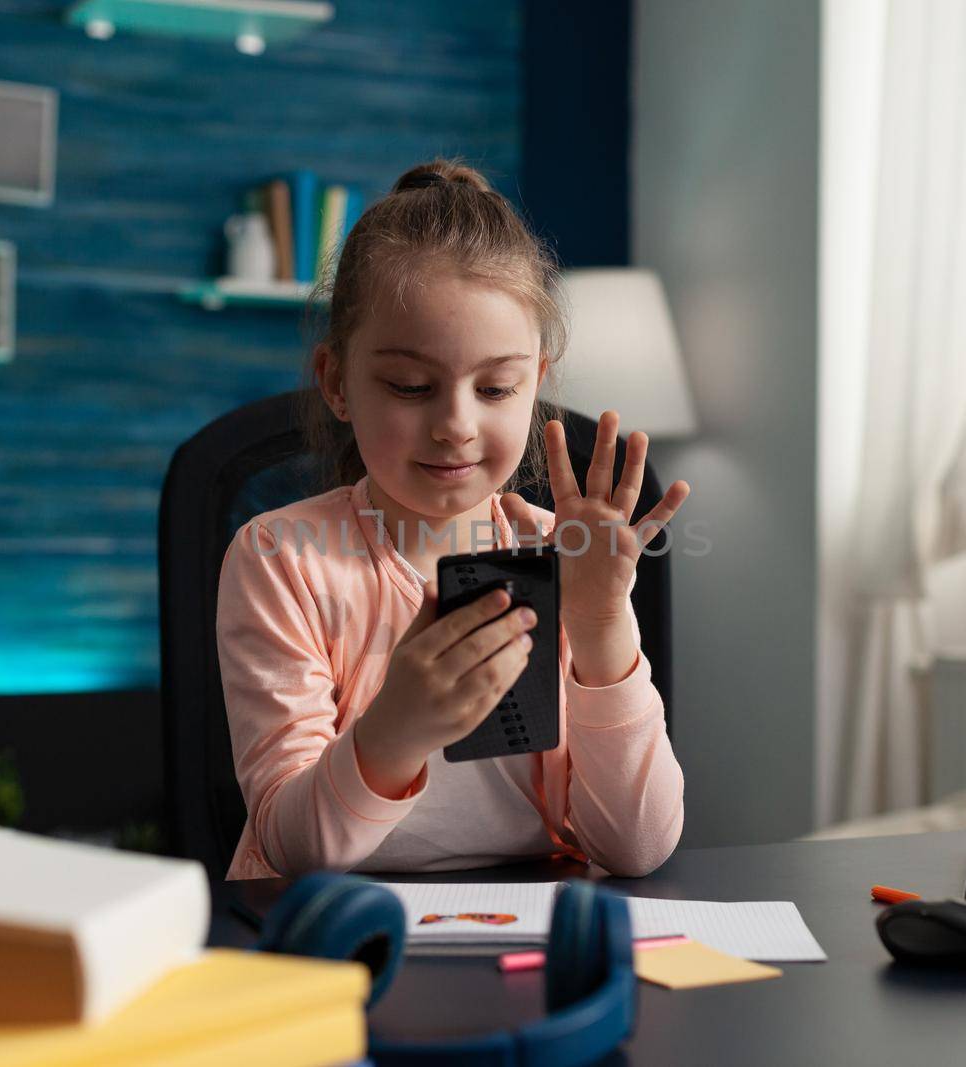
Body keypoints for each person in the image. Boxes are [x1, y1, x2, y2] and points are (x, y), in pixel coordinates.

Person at [215, 158, 691, 880]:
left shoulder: (558, 554)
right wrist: (395, 728)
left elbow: (639, 844)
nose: (456, 425)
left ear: (537, 381)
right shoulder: (283, 559)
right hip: (336, 937)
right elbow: (294, 848)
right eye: (411, 386)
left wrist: (599, 628)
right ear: (338, 382)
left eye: (496, 387)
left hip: (525, 932)